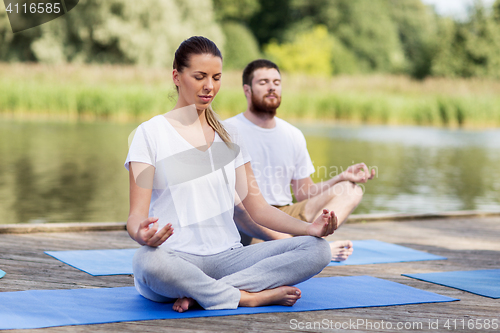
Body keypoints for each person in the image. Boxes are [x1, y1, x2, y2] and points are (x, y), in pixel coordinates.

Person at [124, 37, 337, 313]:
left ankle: (205, 294)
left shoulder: (229, 136)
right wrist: (142, 235)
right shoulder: (150, 133)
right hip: (174, 258)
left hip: (229, 258)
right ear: (177, 76)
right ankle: (247, 296)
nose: (209, 86)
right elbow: (135, 217)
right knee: (146, 262)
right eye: (199, 77)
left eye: (216, 77)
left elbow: (258, 209)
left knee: (318, 249)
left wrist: (309, 229)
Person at [225, 59, 376, 261]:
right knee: (236, 203)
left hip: (285, 215)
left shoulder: (292, 134)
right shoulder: (228, 130)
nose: (272, 87)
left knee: (351, 190)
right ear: (247, 90)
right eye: (263, 82)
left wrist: (340, 177)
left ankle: (305, 246)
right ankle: (305, 251)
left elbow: (304, 192)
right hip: (248, 220)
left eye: (276, 82)